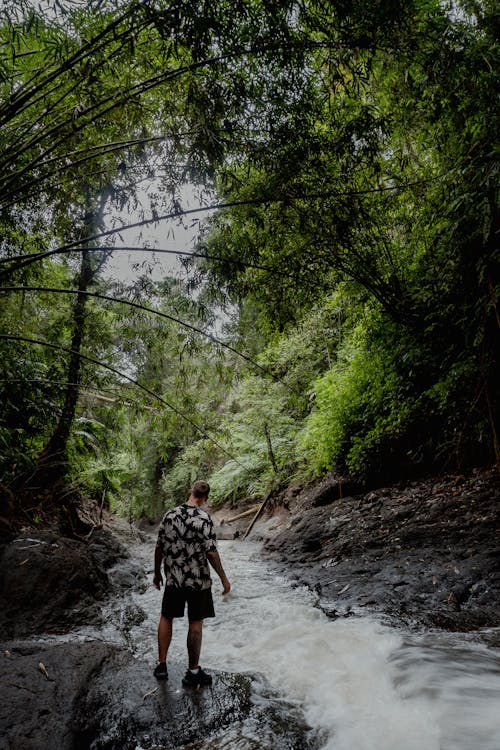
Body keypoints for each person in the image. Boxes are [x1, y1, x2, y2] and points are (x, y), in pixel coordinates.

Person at [153, 480, 231, 688]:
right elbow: (211, 552)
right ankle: (193, 671)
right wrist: (224, 578)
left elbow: (159, 546)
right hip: (198, 581)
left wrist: (156, 573)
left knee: (166, 616)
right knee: (195, 623)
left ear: (190, 492)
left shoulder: (169, 515)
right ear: (206, 498)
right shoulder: (204, 519)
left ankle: (161, 665)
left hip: (174, 578)